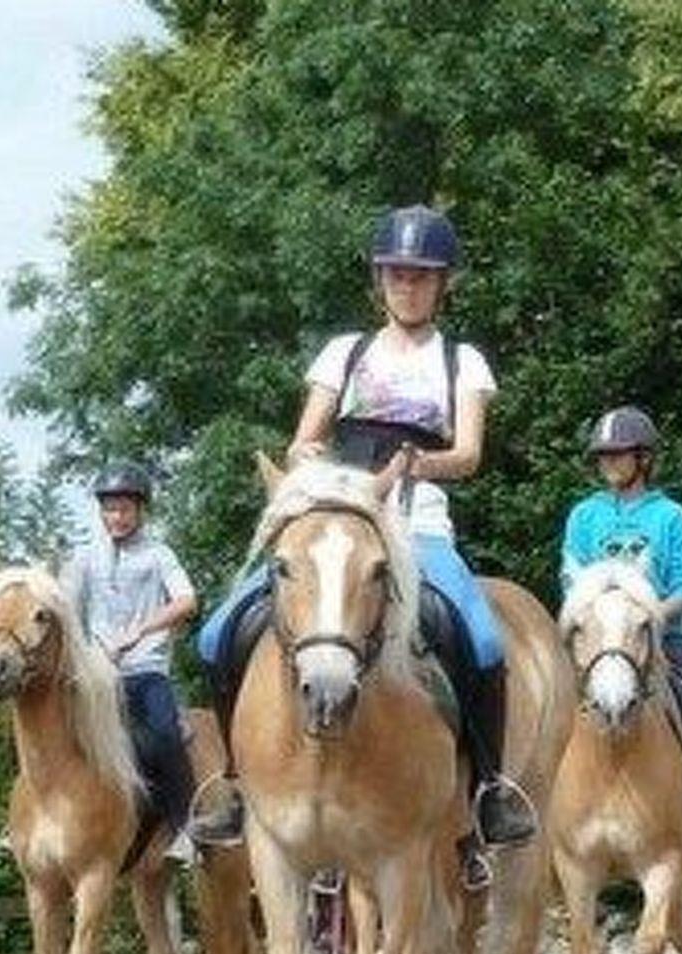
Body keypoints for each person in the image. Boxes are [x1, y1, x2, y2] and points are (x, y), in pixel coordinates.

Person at [190, 204, 535, 889]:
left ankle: (490, 789)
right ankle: (233, 781)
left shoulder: (461, 361)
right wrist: (314, 463)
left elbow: (468, 453)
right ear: (380, 281)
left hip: (416, 520)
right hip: (335, 515)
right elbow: (305, 436)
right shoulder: (344, 353)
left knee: (479, 637)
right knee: (218, 631)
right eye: (397, 275)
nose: (408, 286)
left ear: (442, 285)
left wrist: (414, 465)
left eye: (421, 276)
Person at [559, 405, 682, 877]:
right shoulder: (584, 515)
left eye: (617, 454)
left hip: (661, 638)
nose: (607, 462)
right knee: (542, 703)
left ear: (643, 458)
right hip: (596, 641)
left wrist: (650, 617)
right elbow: (571, 580)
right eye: (602, 455)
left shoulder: (670, 516)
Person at [62, 461, 200, 861]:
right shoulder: (86, 556)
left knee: (165, 735)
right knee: (45, 727)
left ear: (141, 511)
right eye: (110, 509)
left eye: (124, 509)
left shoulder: (159, 555)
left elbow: (187, 601)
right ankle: (24, 820)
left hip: (145, 669)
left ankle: (186, 827)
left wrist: (140, 631)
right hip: (98, 673)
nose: (117, 517)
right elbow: (64, 604)